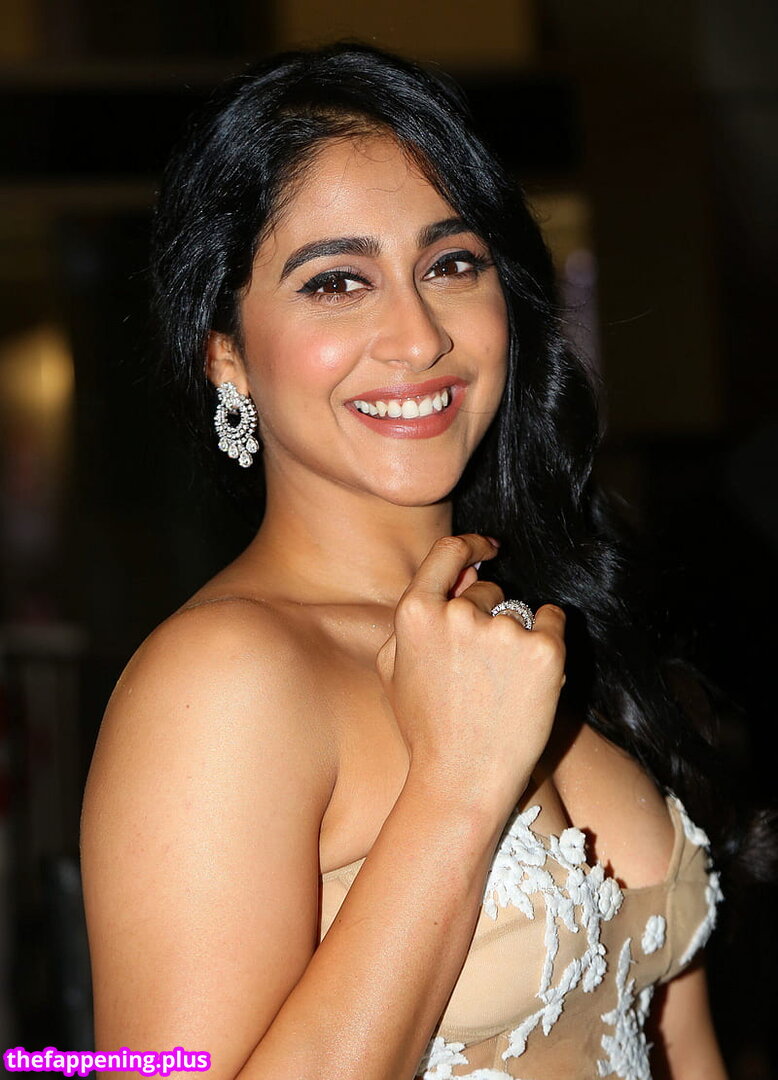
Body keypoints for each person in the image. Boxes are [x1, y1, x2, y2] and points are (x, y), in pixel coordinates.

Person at [80, 43, 732, 1079]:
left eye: (450, 264)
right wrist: (455, 793)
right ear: (227, 354)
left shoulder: (538, 624)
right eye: (335, 281)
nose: (417, 335)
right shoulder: (224, 679)